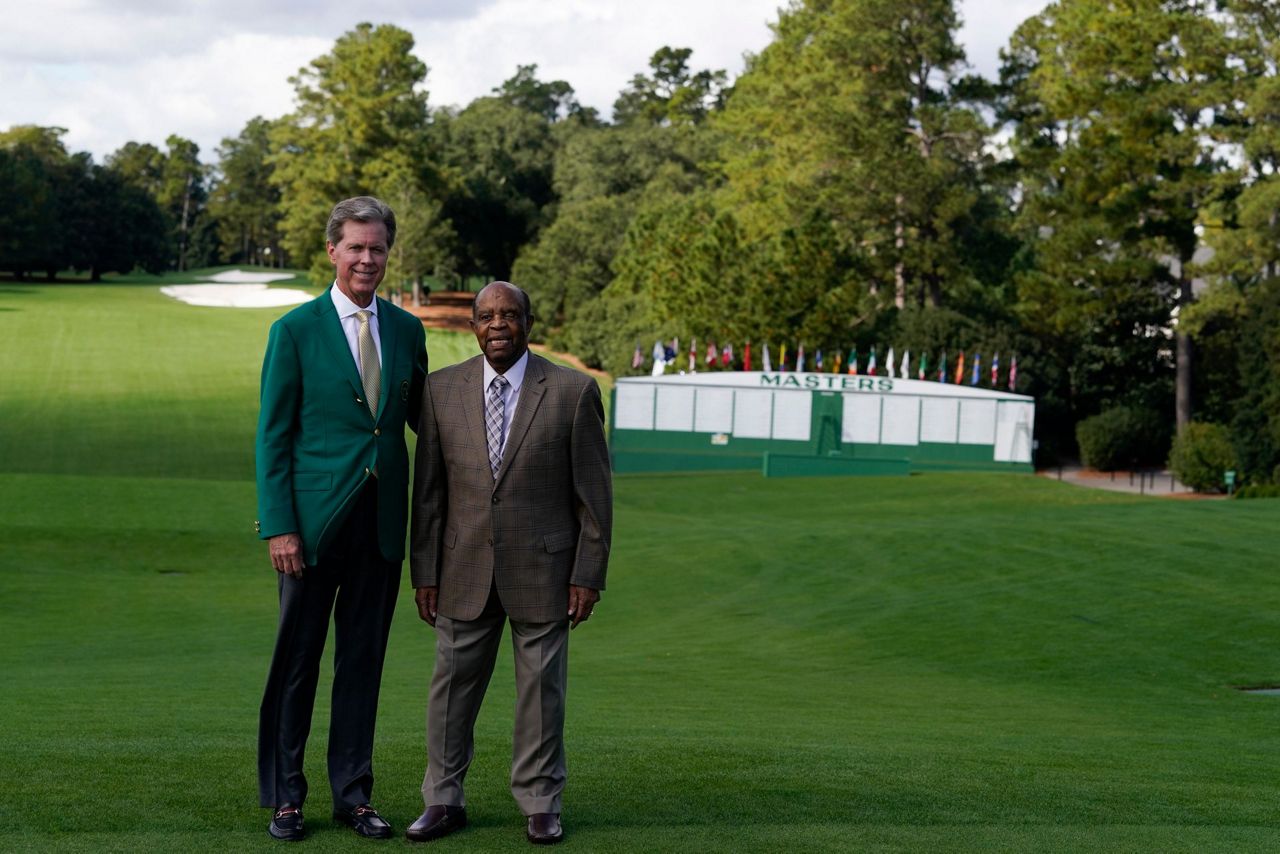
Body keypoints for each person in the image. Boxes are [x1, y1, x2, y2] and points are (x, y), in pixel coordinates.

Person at [405, 281, 612, 846]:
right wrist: (423, 571)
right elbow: (428, 494)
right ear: (473, 326)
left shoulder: (572, 391)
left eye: (510, 315)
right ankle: (443, 800)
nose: (498, 324)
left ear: (528, 323)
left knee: (541, 694)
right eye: (487, 316)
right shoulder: (441, 391)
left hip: (546, 571)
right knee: (450, 692)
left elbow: (593, 495)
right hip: (460, 569)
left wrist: (588, 574)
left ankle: (541, 803)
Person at [254, 196, 428, 841]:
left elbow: (426, 426)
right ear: (332, 251)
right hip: (312, 528)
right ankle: (286, 797)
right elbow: (273, 435)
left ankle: (354, 796)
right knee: (296, 663)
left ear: (389, 253)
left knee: (363, 664)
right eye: (355, 246)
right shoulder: (294, 330)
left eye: (377, 248)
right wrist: (279, 525)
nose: (366, 258)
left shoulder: (408, 332)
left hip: (380, 527)